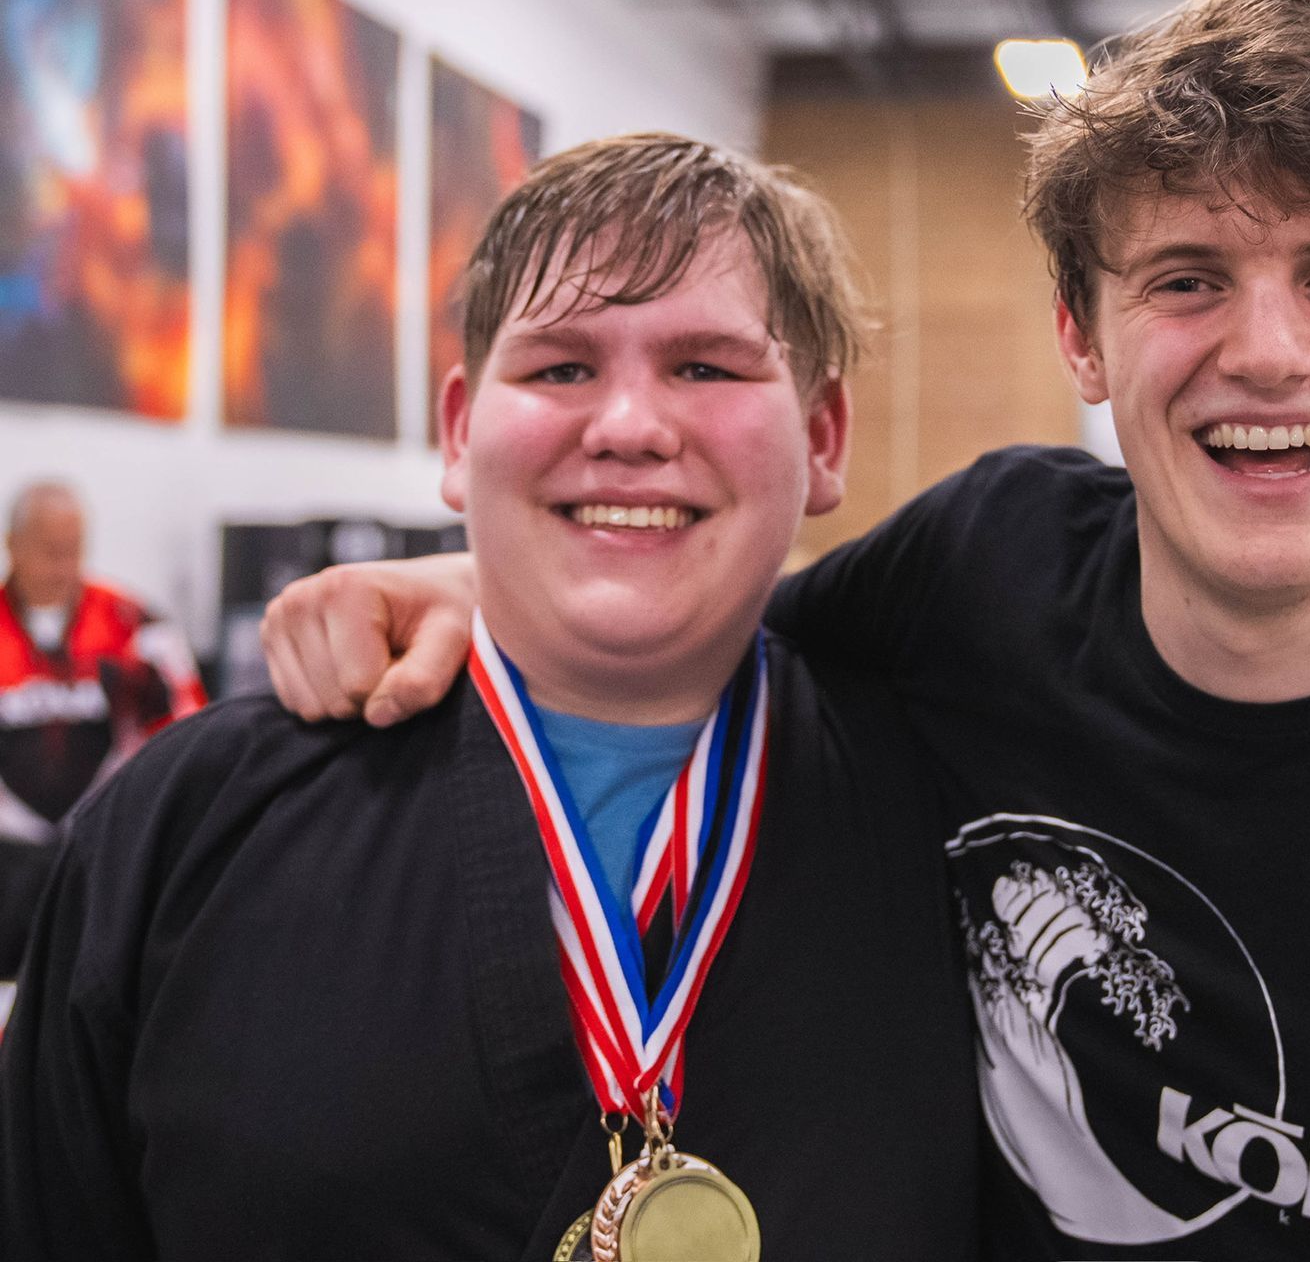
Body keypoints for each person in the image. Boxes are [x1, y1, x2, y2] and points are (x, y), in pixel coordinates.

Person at [264, 0, 1310, 1259]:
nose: (1267, 351)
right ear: (1083, 334)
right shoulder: (980, 571)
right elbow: (705, 626)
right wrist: (484, 578)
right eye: (1187, 277)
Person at [0, 135, 980, 1259]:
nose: (627, 427)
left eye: (706, 366)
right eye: (560, 367)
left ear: (821, 436)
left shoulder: (957, 810)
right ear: (461, 431)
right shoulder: (183, 825)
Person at [0, 479, 203, 977]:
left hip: (95, 852)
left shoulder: (129, 622)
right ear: (12, 544)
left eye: (73, 551)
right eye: (49, 551)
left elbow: (188, 726)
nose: (63, 566)